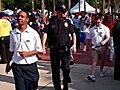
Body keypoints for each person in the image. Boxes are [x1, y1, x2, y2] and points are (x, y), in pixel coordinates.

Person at [5, 10, 43, 90]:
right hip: (17, 66)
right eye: (18, 16)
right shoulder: (13, 33)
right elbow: (11, 50)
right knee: (20, 88)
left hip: (30, 66)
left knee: (32, 87)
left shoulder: (33, 33)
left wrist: (28, 54)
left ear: (27, 19)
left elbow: (39, 50)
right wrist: (8, 64)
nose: (19, 18)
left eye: (22, 16)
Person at [42, 5, 76, 90]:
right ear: (57, 12)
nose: (64, 13)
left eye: (65, 11)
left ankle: (65, 82)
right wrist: (43, 46)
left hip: (65, 50)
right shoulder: (51, 22)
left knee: (66, 68)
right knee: (55, 70)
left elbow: (73, 33)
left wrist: (74, 44)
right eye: (62, 11)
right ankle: (57, 87)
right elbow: (45, 33)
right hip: (55, 49)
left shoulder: (68, 22)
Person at [87, 15, 110, 82]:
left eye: (98, 22)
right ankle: (92, 75)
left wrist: (105, 41)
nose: (97, 24)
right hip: (94, 47)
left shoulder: (105, 28)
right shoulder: (92, 29)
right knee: (94, 61)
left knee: (102, 60)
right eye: (95, 22)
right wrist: (88, 47)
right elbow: (89, 38)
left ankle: (101, 71)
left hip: (102, 47)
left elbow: (108, 37)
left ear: (101, 20)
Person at [112, 16, 120, 80]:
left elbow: (114, 33)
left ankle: (117, 75)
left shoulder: (116, 24)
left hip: (117, 44)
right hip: (118, 43)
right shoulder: (117, 24)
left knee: (117, 60)